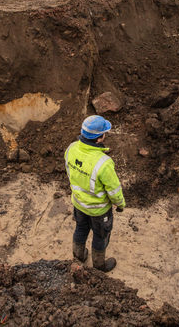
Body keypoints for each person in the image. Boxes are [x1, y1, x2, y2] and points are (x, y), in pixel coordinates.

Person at [64, 115, 125, 272]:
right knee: (100, 236)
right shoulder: (103, 163)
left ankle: (78, 257)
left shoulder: (71, 149)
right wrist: (120, 204)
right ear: (99, 138)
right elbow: (114, 190)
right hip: (98, 211)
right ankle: (99, 265)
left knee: (81, 229)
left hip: (78, 204)